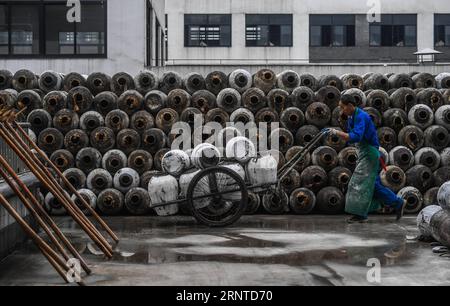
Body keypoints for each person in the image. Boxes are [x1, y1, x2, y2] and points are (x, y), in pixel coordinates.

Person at [325, 94, 406, 224]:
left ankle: (360, 214)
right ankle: (397, 203)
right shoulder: (352, 116)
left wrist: (337, 133)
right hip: (365, 152)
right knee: (372, 185)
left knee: (357, 183)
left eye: (343, 107)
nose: (342, 110)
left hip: (370, 153)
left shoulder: (361, 116)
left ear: (350, 105)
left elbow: (356, 136)